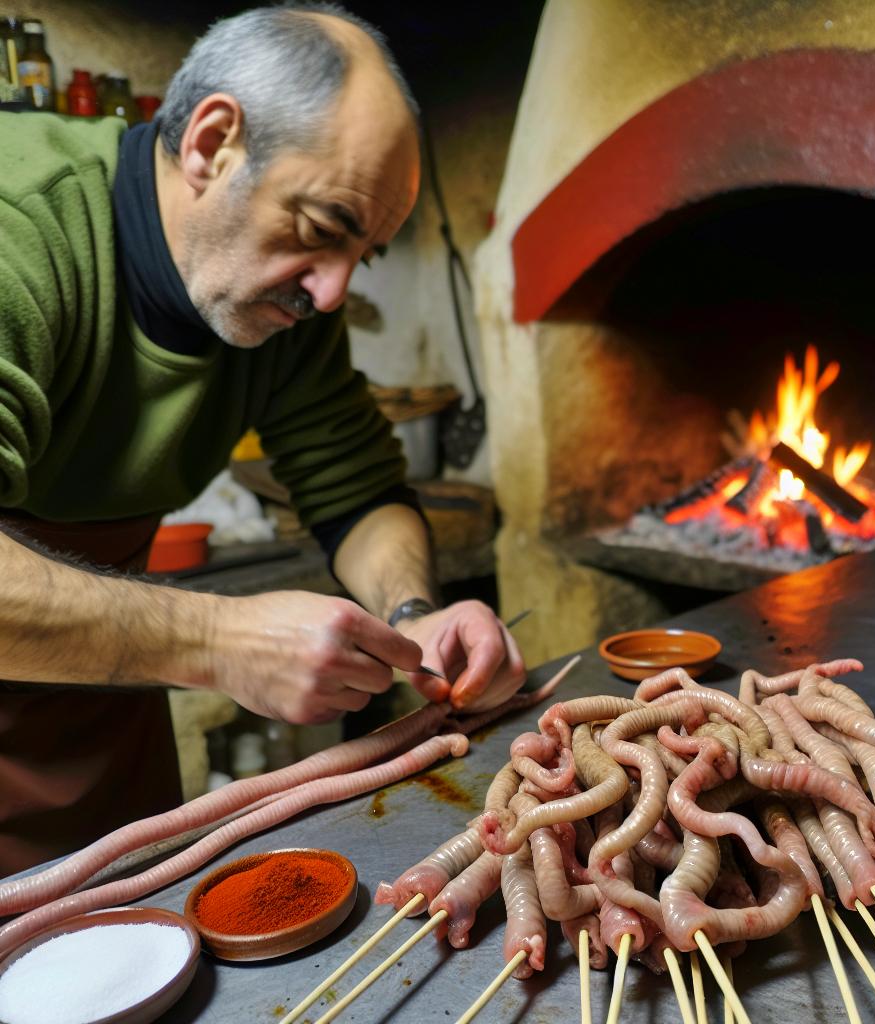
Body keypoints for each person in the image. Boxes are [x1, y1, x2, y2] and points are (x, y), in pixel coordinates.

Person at [0, 2, 525, 873]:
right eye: (321, 231)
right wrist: (218, 641)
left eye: (365, 255)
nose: (332, 293)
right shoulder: (26, 232)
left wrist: (415, 615)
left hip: (98, 731)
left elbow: (356, 489)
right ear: (212, 144)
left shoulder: (286, 308)